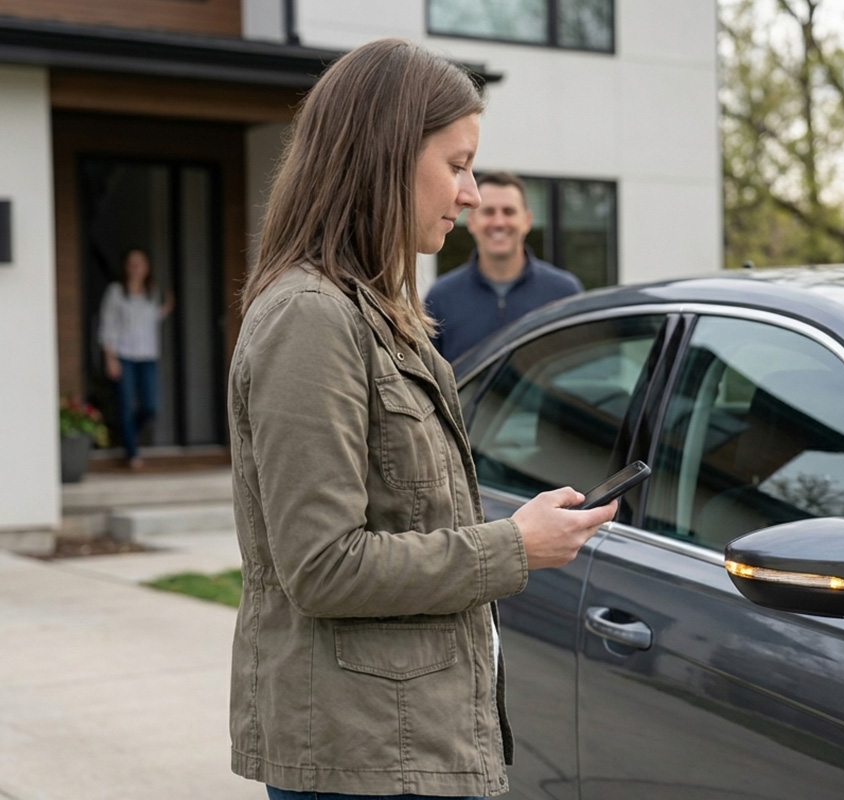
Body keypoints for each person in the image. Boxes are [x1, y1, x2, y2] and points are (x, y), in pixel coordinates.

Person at [228, 38, 617, 800]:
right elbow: (324, 566)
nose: (471, 194)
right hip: (361, 758)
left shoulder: (379, 314)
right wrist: (512, 546)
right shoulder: (311, 319)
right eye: (459, 164)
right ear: (385, 157)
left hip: (400, 743)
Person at [424, 172, 583, 363]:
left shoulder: (564, 293)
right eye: (489, 212)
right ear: (471, 221)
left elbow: (580, 370)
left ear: (527, 221)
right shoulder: (441, 298)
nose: (499, 222)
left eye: (508, 212)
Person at [97, 247, 174, 469]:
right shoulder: (116, 292)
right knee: (125, 406)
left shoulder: (152, 292)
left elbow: (150, 319)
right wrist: (110, 357)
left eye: (140, 263)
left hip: (148, 356)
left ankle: (126, 434)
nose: (136, 268)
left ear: (147, 267)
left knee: (151, 406)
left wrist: (166, 308)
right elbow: (107, 324)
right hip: (123, 356)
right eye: (132, 263)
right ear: (126, 267)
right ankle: (132, 453)